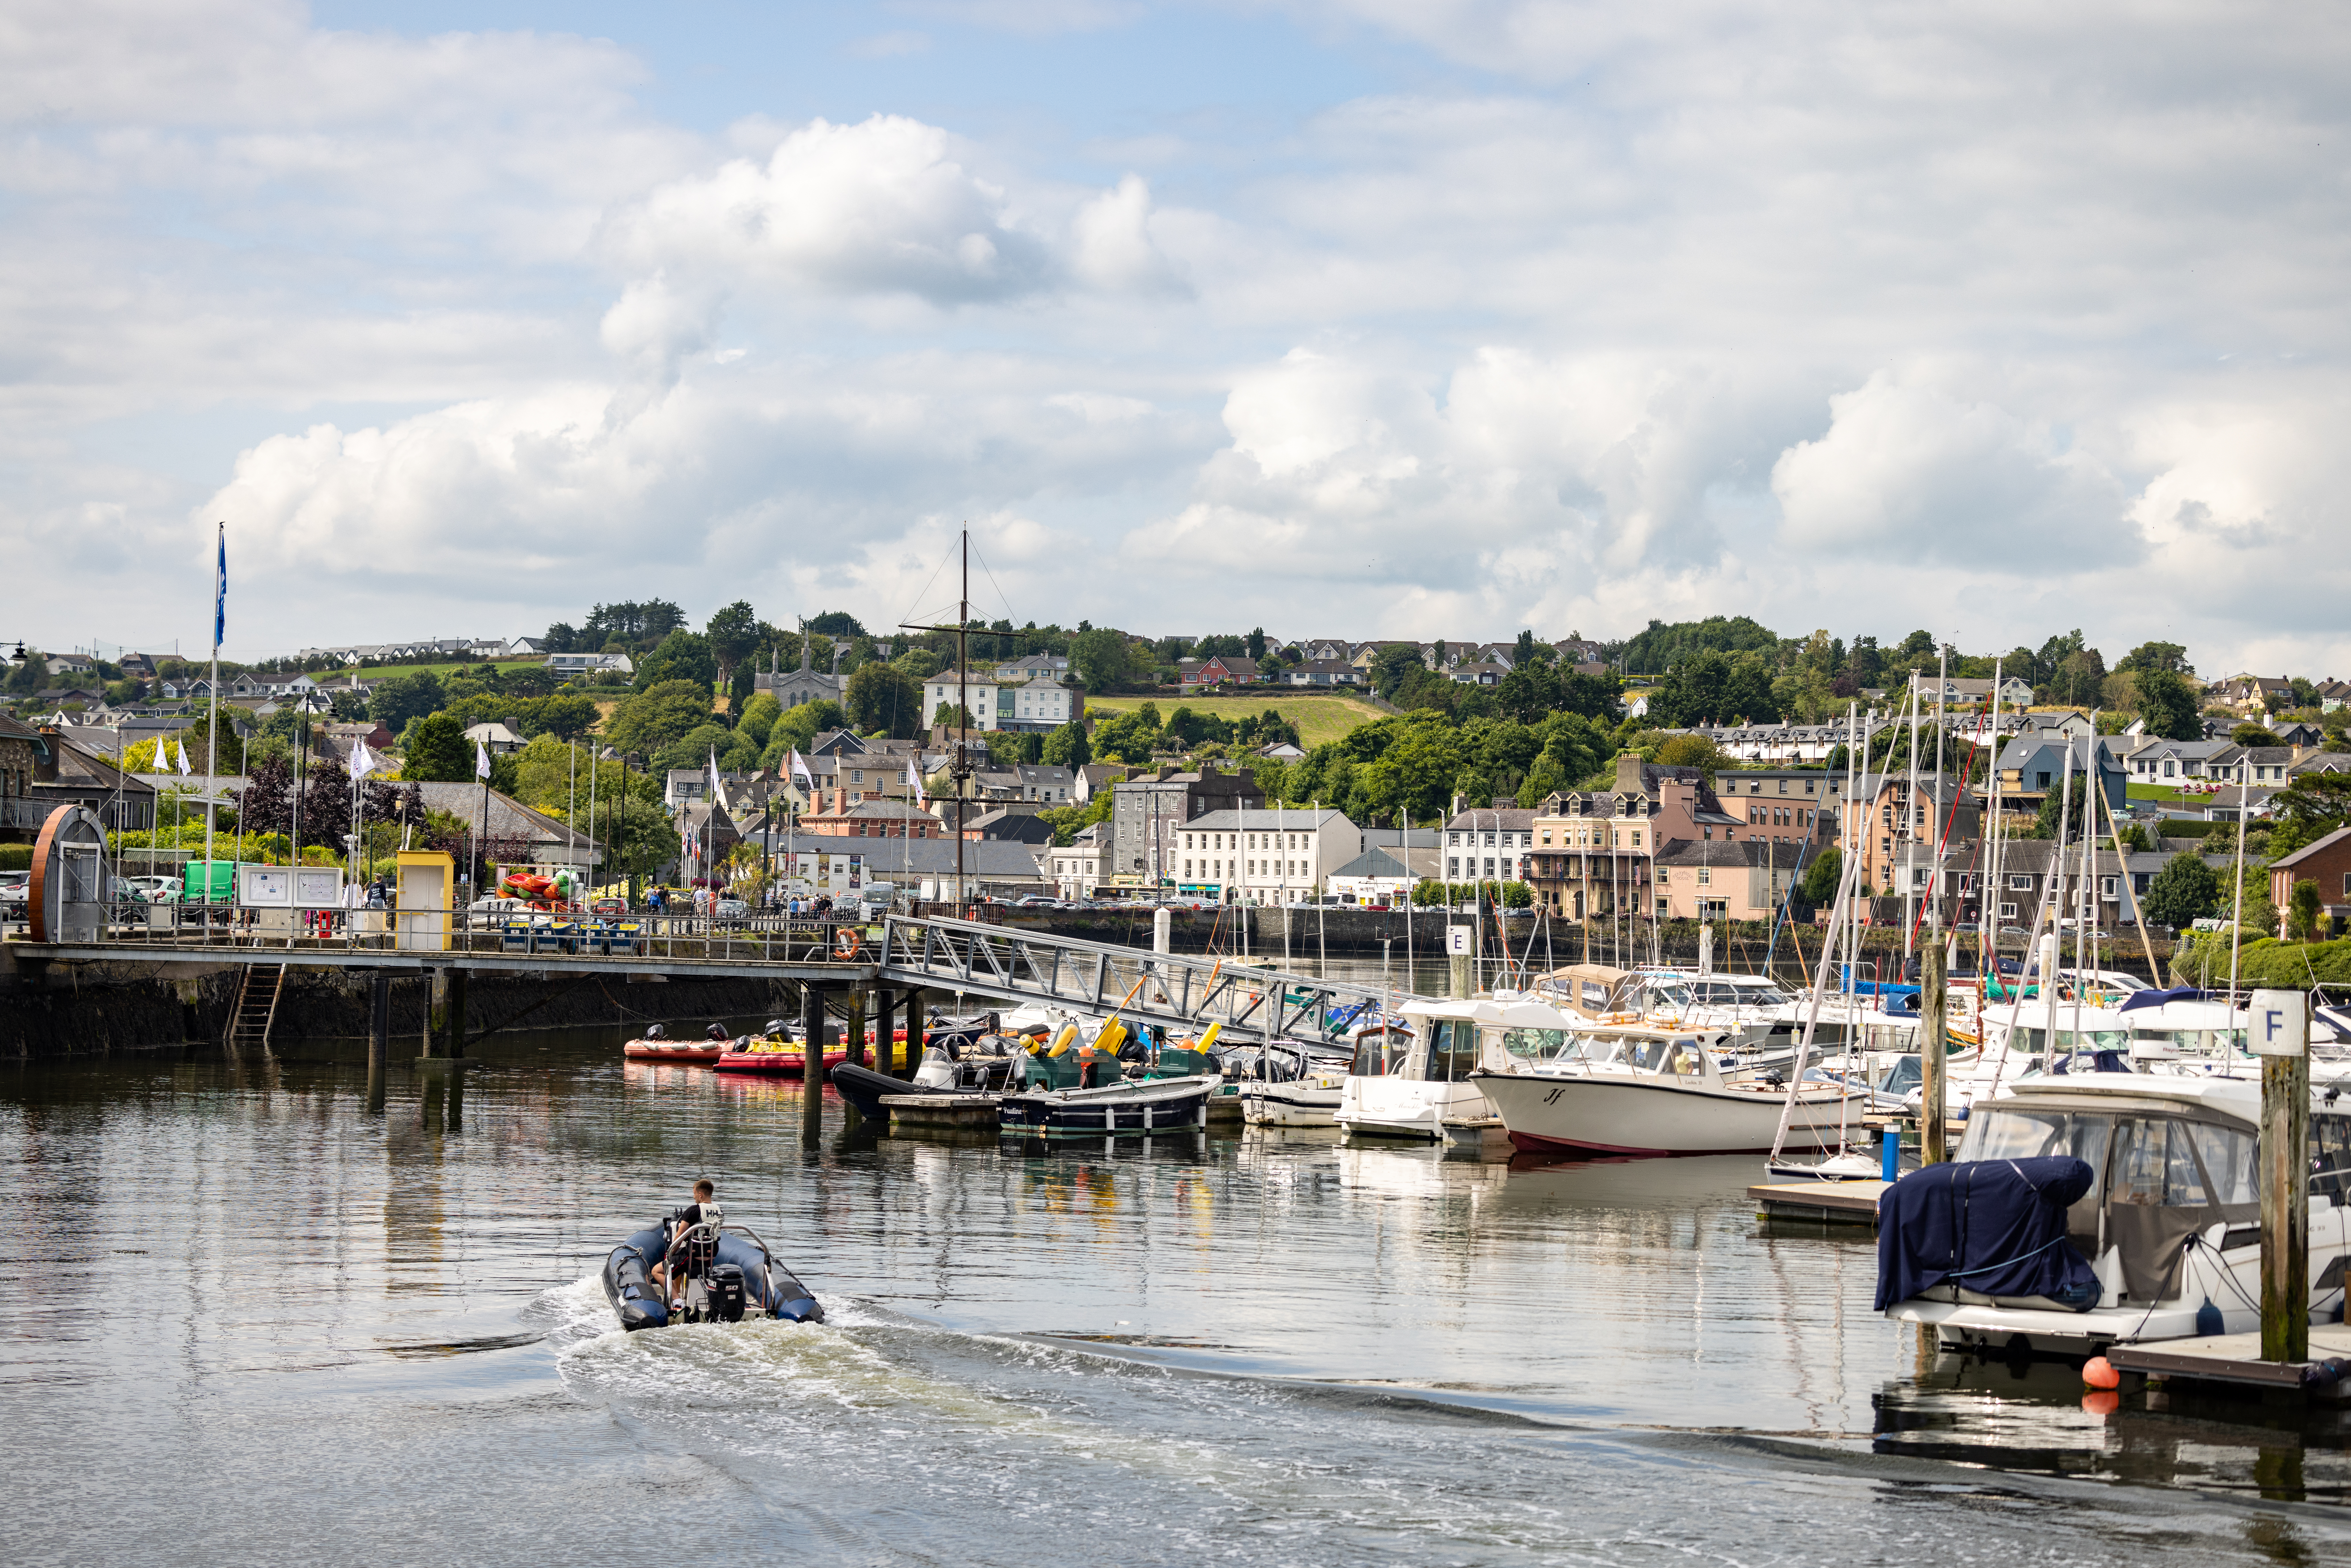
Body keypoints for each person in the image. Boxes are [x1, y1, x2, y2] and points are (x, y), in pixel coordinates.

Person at [650, 1179, 721, 1305]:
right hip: (711, 1254)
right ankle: (682, 1293)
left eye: (694, 1194)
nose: (694, 1197)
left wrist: (670, 1254)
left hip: (693, 1255)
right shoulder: (719, 1212)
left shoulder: (693, 1211)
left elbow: (679, 1237)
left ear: (700, 1194)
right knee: (680, 1259)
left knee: (657, 1271)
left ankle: (677, 1300)